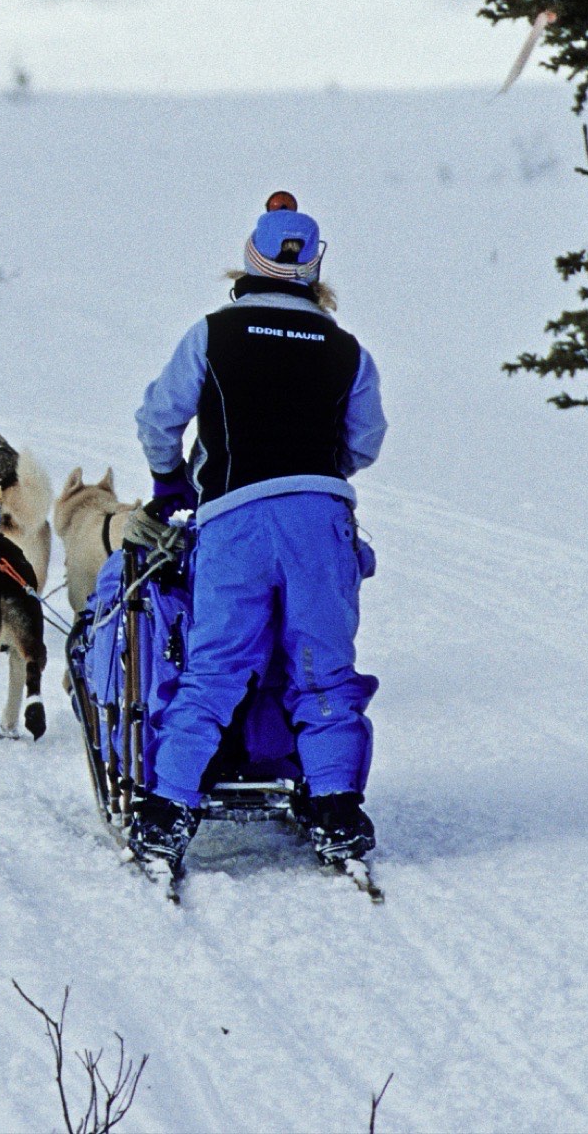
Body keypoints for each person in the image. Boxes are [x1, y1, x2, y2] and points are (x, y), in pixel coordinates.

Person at [120, 193, 385, 876]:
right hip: (321, 519)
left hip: (234, 517)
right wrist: (314, 470)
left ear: (248, 259)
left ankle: (167, 810)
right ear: (314, 269)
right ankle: (335, 808)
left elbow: (159, 417)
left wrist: (171, 478)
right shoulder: (346, 350)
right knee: (323, 671)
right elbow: (366, 441)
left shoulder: (211, 334)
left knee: (213, 667)